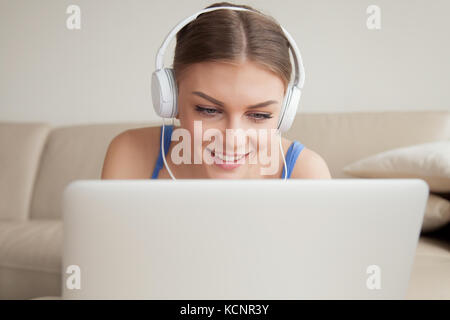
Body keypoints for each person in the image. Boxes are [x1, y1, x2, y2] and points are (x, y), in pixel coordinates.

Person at [101, 2, 331, 180]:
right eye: (208, 110)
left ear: (284, 113)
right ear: (172, 99)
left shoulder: (306, 173)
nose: (232, 140)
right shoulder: (131, 153)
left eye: (259, 115)